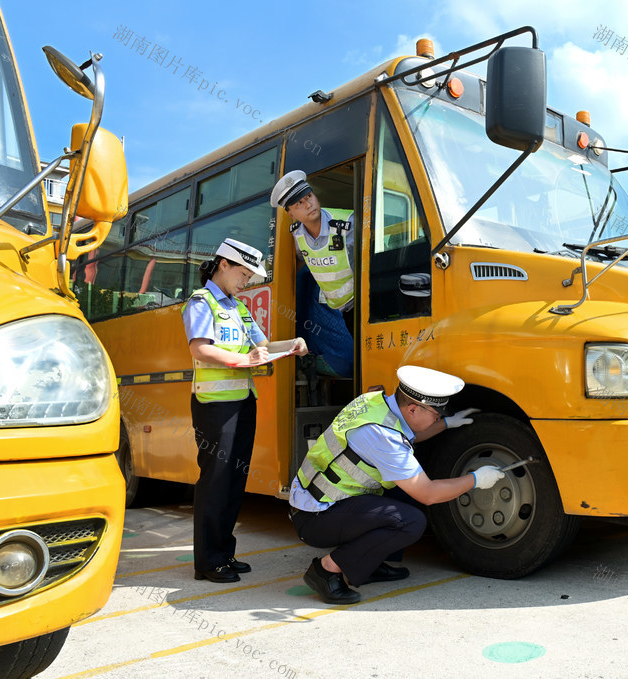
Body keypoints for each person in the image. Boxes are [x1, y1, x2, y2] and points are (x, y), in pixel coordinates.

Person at [289, 366, 496, 604]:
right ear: (413, 409)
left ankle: (367, 562)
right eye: (436, 415)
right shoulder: (382, 436)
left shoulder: (375, 401)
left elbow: (408, 433)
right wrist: (476, 479)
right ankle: (326, 570)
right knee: (411, 521)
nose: (437, 418)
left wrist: (446, 424)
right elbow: (428, 493)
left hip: (318, 498)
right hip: (315, 518)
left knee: (404, 493)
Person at [182, 237, 309, 583]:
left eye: (250, 277)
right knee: (216, 481)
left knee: (235, 480)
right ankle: (207, 562)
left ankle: (225, 554)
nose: (247, 281)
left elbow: (262, 346)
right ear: (223, 265)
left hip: (242, 402)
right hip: (214, 407)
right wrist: (244, 360)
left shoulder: (237, 307)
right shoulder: (201, 302)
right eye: (244, 274)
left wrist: (292, 344)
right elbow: (200, 349)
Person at [271, 170, 354, 377]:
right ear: (291, 213)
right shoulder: (297, 235)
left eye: (309, 197)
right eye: (299, 203)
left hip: (360, 306)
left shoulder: (348, 224)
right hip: (337, 309)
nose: (308, 204)